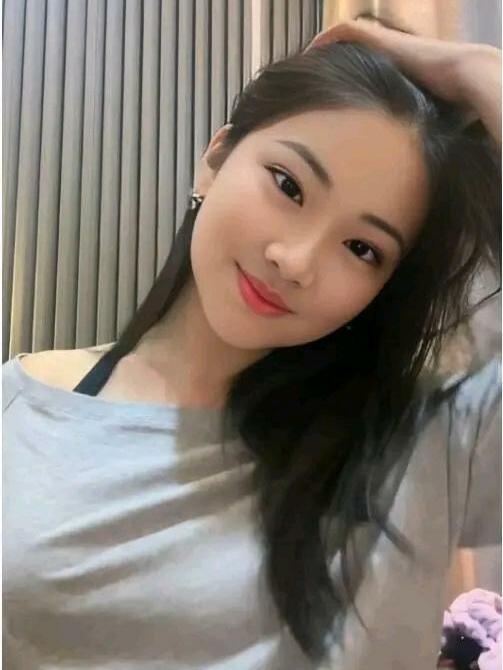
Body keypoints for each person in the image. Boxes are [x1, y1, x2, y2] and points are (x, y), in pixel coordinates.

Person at [3, 17, 501, 670]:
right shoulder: (20, 412)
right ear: (216, 158)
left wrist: (482, 73)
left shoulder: (428, 440)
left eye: (362, 248)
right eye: (288, 185)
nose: (296, 261)